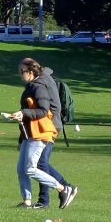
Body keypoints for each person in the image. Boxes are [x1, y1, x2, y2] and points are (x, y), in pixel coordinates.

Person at [9, 58, 75, 209]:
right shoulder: (31, 86)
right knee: (22, 169)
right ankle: (27, 201)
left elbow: (43, 111)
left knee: (33, 167)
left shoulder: (39, 86)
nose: (20, 74)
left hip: (41, 131)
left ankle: (63, 189)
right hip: (30, 132)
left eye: (22, 71)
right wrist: (21, 136)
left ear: (31, 72)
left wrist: (23, 113)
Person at [31, 63, 78, 209]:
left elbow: (54, 107)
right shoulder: (46, 79)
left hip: (49, 126)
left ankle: (46, 200)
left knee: (40, 163)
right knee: (40, 162)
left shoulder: (44, 81)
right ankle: (65, 188)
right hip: (50, 125)